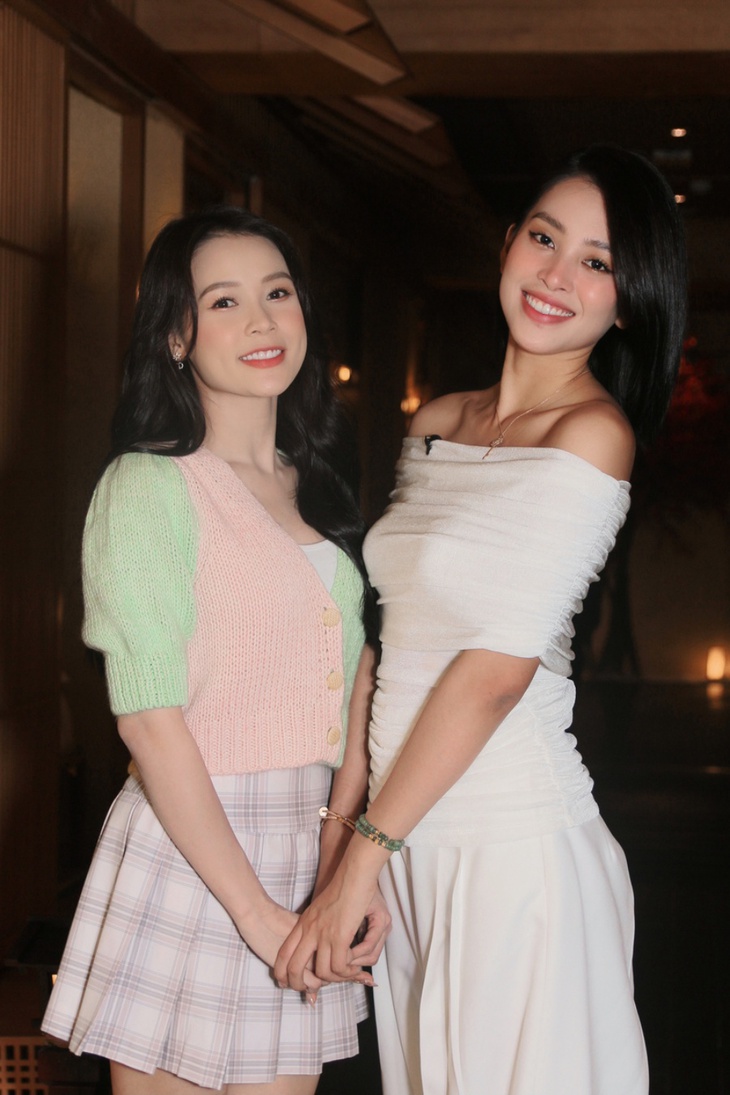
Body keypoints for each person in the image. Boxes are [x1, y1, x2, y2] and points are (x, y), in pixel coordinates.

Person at [276, 145, 688, 1095]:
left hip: (510, 846)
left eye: (598, 261)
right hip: (409, 842)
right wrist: (347, 840)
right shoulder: (436, 420)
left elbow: (496, 672)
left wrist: (360, 861)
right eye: (545, 238)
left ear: (628, 303)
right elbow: (385, 648)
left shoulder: (593, 435)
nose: (557, 274)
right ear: (507, 244)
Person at [42, 206, 389, 1094]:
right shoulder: (148, 486)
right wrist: (257, 915)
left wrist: (346, 875)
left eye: (278, 293)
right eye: (224, 301)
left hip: (304, 851)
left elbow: (355, 699)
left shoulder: (320, 486)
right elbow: (149, 724)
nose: (263, 321)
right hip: (195, 849)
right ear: (175, 335)